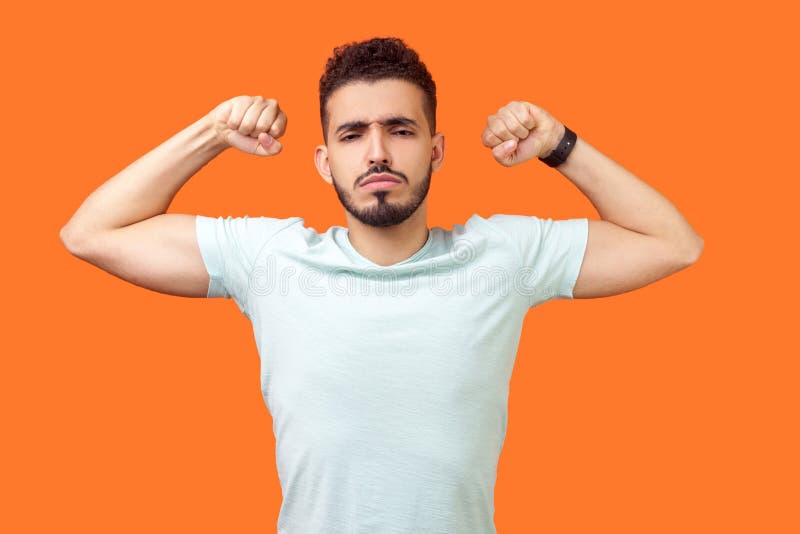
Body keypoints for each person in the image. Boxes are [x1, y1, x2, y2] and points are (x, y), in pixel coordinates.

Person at [60, 36, 703, 533]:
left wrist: (560, 143)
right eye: (352, 134)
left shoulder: (503, 255)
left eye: (400, 130)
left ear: (437, 149)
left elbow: (673, 245)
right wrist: (211, 134)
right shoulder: (269, 258)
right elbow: (91, 233)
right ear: (324, 160)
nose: (377, 153)